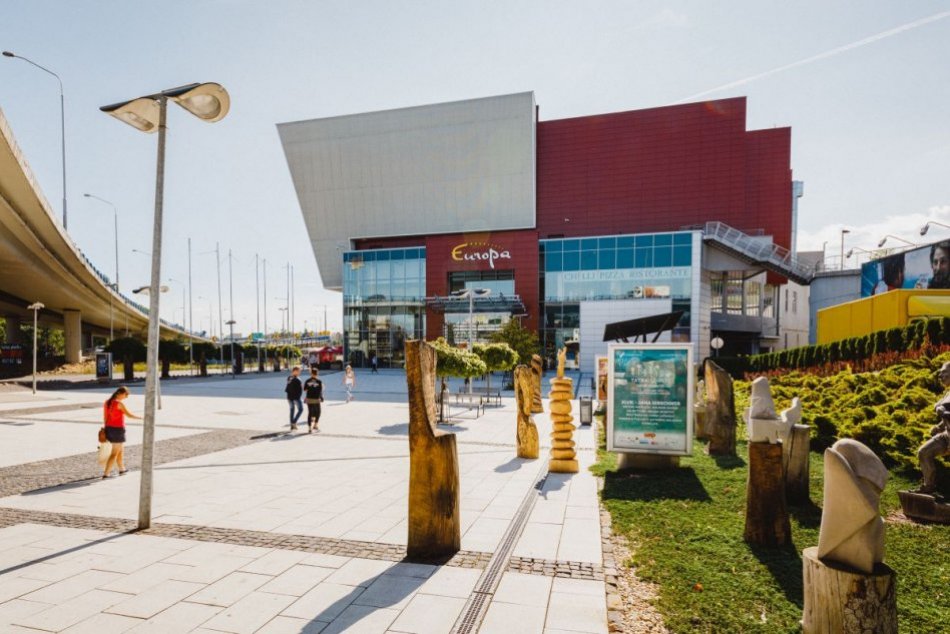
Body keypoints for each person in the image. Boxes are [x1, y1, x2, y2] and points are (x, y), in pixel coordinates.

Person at [920, 361, 950, 494]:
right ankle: (928, 487)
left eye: (944, 372)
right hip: (947, 435)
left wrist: (943, 411)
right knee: (924, 453)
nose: (940, 375)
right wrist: (939, 427)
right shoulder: (948, 394)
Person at [102, 386, 140, 479]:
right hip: (117, 430)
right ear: (120, 393)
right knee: (114, 453)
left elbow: (105, 417)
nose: (126, 397)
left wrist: (106, 429)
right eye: (126, 395)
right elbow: (129, 415)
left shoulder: (107, 402)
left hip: (109, 428)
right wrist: (141, 418)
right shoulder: (119, 404)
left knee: (120, 450)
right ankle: (106, 474)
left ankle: (122, 469)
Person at [304, 368, 325, 433]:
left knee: (310, 413)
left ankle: (309, 428)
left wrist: (310, 388)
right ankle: (315, 425)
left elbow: (305, 390)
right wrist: (321, 397)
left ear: (311, 373)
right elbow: (320, 391)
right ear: (317, 374)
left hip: (309, 399)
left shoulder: (307, 381)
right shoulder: (319, 381)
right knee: (318, 412)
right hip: (316, 399)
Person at [285, 366, 304, 430]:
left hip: (289, 397)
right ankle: (294, 422)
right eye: (299, 371)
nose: (299, 372)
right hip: (296, 397)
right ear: (295, 371)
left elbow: (288, 387)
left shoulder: (289, 378)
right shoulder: (298, 379)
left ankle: (292, 425)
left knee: (292, 410)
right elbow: (301, 388)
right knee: (301, 409)